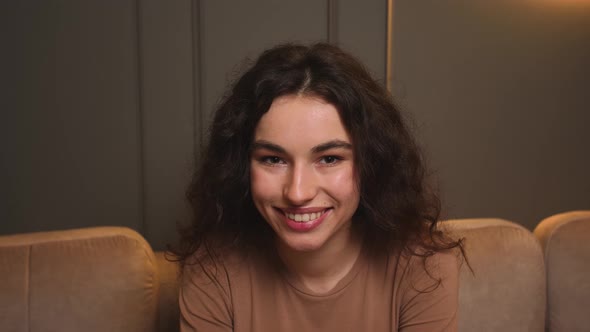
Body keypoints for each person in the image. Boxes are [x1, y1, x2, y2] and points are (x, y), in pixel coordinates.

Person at [173, 43, 466, 332]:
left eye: (329, 158)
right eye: (273, 159)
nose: (298, 192)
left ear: (372, 163)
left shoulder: (423, 268)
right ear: (240, 166)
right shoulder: (212, 271)